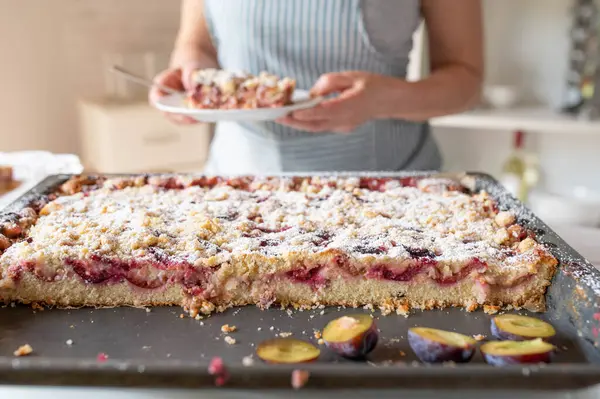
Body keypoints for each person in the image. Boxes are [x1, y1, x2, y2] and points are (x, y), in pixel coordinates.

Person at [150, 0, 483, 174]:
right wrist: (192, 77)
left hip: (386, 188)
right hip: (241, 181)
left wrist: (383, 100)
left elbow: (465, 80)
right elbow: (199, 45)